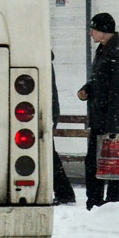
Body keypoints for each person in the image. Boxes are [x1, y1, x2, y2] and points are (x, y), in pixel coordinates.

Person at [76, 12, 119, 210]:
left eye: (93, 29)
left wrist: (112, 127)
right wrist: (87, 89)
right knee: (94, 164)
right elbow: (98, 80)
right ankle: (94, 203)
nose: (91, 33)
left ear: (104, 31)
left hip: (111, 122)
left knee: (113, 165)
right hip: (100, 119)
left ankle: (113, 205)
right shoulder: (103, 50)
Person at [50, 53, 76, 205]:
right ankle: (64, 192)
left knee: (48, 155)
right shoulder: (43, 58)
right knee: (48, 154)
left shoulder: (38, 58)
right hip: (50, 111)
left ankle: (65, 193)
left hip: (47, 112)